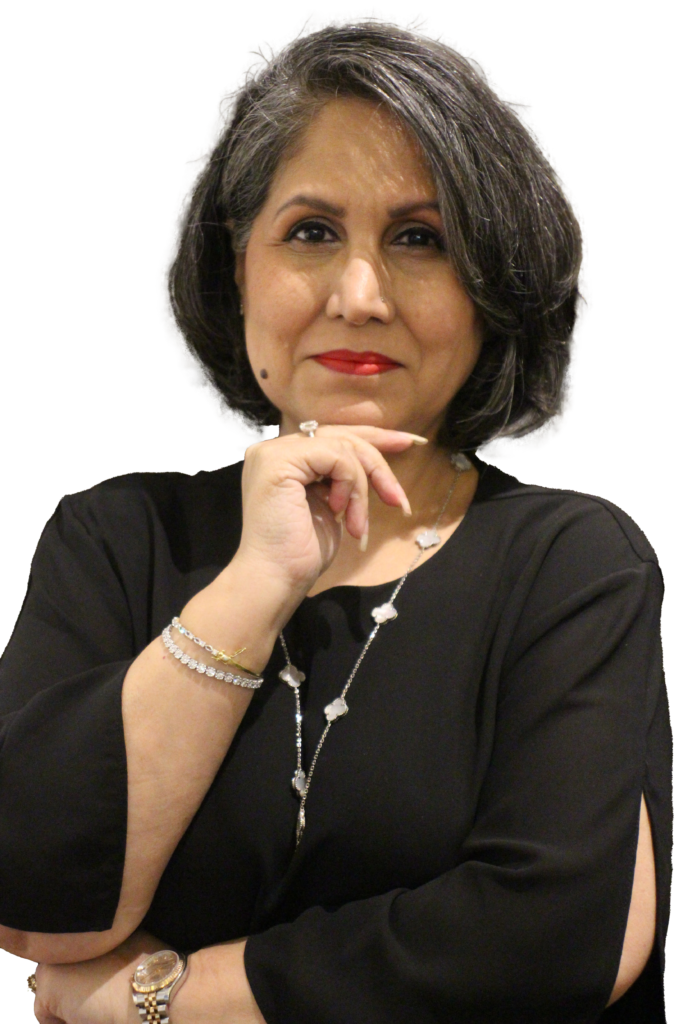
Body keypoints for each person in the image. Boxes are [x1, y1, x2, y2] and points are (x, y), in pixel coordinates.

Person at [0, 11, 671, 1024]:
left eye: (419, 239)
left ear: (491, 293)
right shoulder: (114, 537)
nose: (359, 296)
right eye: (311, 232)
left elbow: (555, 935)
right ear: (236, 269)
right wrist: (254, 584)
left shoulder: (571, 562)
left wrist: (160, 999)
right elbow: (38, 905)